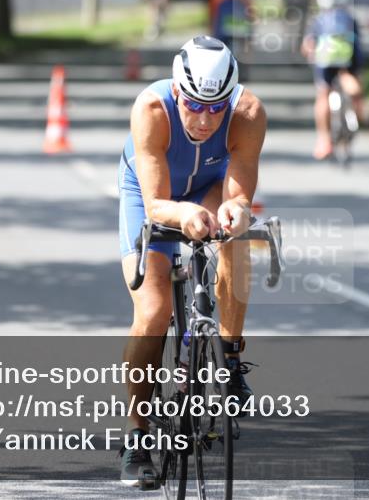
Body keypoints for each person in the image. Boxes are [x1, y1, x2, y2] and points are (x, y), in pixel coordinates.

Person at [117, 36, 267, 486]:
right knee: (153, 311)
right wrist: (184, 216)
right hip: (152, 195)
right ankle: (136, 436)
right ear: (177, 91)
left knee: (236, 235)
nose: (204, 120)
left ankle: (230, 358)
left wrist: (236, 211)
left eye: (216, 108)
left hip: (210, 185)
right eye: (194, 105)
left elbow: (240, 195)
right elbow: (157, 204)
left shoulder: (248, 113)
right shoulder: (152, 110)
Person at [301, 0, 365, 161]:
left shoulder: (318, 20)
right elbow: (358, 44)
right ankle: (359, 111)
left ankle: (323, 140)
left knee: (323, 95)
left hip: (325, 62)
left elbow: (308, 45)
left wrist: (309, 54)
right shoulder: (350, 19)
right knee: (352, 82)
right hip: (349, 61)